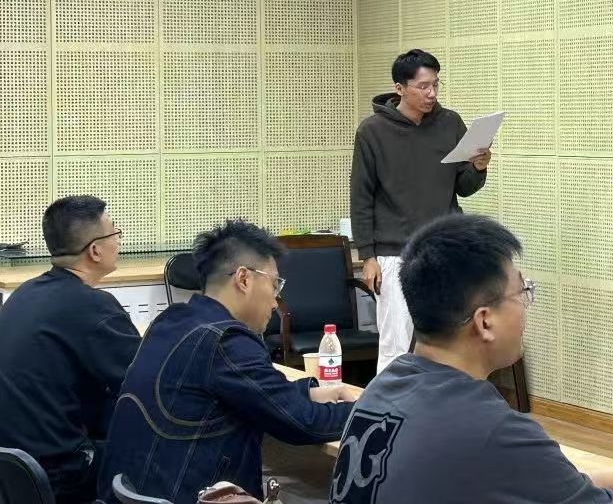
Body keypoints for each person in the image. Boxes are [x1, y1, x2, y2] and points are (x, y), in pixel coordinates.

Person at [329, 215, 613, 504]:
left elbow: (512, 480)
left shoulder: (382, 388)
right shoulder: (491, 429)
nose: (526, 306)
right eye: (522, 292)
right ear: (485, 321)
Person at [98, 220, 357, 504]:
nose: (276, 301)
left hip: (138, 491)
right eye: (275, 285)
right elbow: (304, 423)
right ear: (244, 279)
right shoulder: (225, 340)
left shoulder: (171, 321)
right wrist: (369, 409)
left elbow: (252, 393)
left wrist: (309, 392)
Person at [351, 48, 492, 372]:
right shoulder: (372, 131)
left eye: (436, 85)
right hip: (394, 252)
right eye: (423, 86)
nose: (431, 93)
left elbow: (464, 186)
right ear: (400, 88)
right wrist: (367, 256)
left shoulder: (450, 123)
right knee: (397, 343)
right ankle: (393, 402)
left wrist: (478, 167)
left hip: (445, 249)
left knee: (450, 339)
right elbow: (361, 196)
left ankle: (445, 401)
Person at [0, 195, 139, 504]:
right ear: (95, 250)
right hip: (62, 474)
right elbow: (147, 381)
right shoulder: (93, 306)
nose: (118, 240)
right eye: (115, 232)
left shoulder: (24, 294)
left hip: (14, 471)